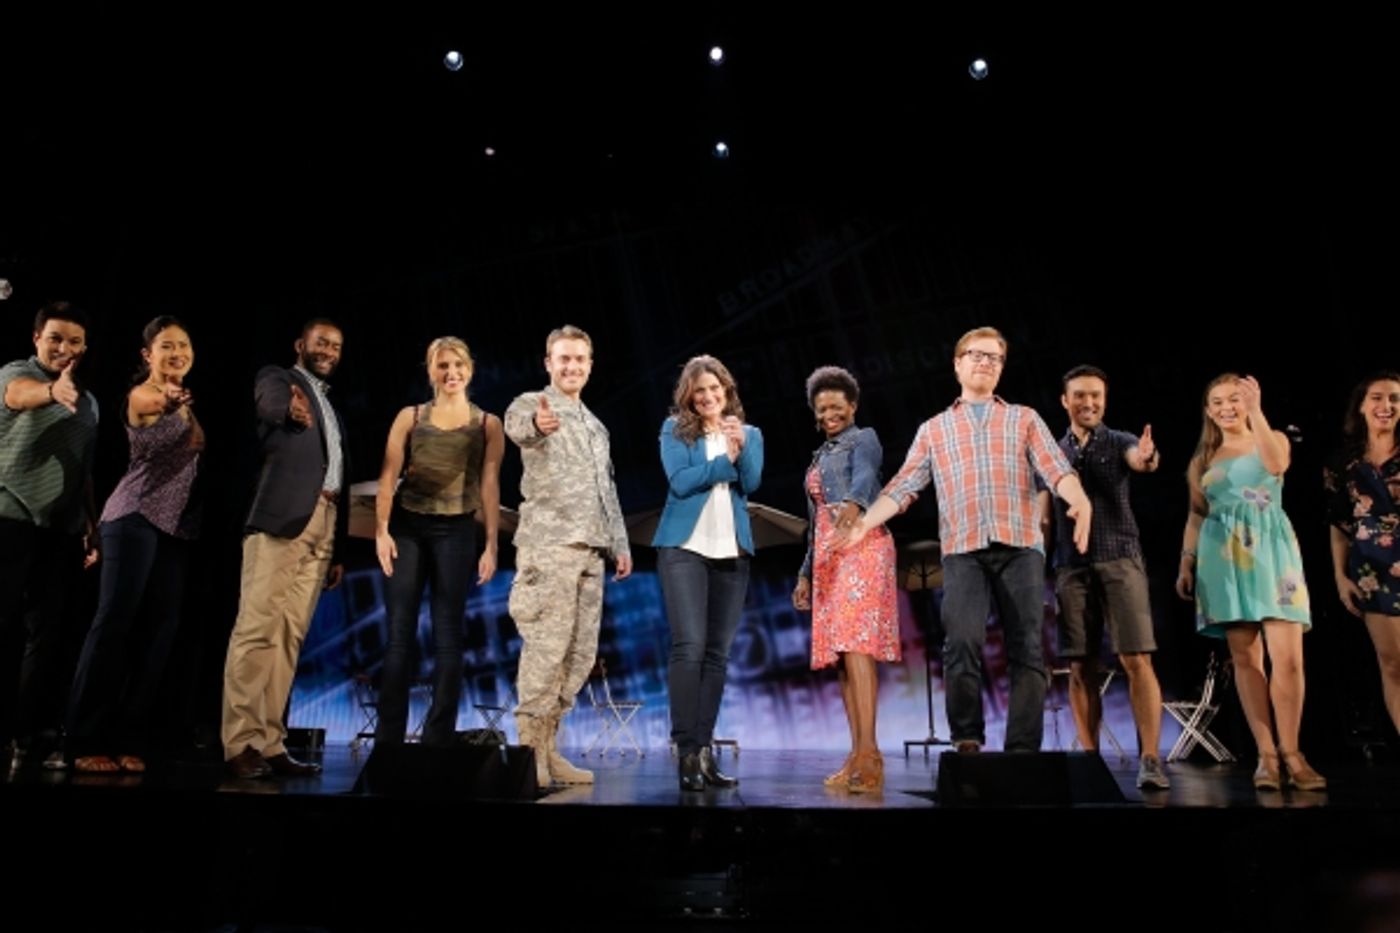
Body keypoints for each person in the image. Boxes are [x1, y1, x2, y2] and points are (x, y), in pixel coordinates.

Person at [844, 326, 1092, 753]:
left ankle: (1022, 748)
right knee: (961, 644)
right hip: (963, 551)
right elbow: (903, 487)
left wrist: (1080, 500)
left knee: (1027, 648)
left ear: (1001, 368)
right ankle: (967, 739)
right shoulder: (934, 429)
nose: (985, 363)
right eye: (976, 355)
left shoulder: (1024, 418)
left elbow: (1056, 469)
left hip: (1019, 547)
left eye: (994, 358)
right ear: (957, 363)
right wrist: (865, 523)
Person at [65, 317, 203, 773]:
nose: (177, 353)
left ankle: (128, 737)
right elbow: (154, 404)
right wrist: (170, 400)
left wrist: (182, 404)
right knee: (113, 626)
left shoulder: (187, 400)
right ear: (147, 355)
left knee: (159, 634)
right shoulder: (145, 395)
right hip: (132, 518)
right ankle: (83, 739)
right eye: (166, 346)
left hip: (171, 529)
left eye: (183, 346)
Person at [1175, 373, 1324, 790]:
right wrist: (1186, 562)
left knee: (1289, 658)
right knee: (1245, 658)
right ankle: (1267, 756)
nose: (1227, 407)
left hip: (1272, 553)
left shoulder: (1270, 436)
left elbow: (1277, 464)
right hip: (1223, 559)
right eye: (1218, 401)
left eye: (1235, 400)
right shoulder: (1204, 458)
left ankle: (1293, 753)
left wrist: (1256, 411)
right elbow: (1196, 514)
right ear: (1208, 410)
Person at [504, 325, 632, 787]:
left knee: (579, 655)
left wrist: (619, 542)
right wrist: (537, 425)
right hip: (550, 546)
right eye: (563, 359)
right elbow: (517, 427)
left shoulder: (596, 425)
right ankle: (527, 754)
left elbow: (607, 489)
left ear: (591, 365)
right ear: (549, 363)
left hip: (592, 549)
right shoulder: (531, 405)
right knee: (546, 648)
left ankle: (550, 747)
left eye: (579, 359)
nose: (572, 366)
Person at [222, 319, 347, 779]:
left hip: (325, 522)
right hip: (282, 516)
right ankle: (239, 743)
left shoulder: (330, 404)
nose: (329, 350)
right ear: (301, 345)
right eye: (321, 342)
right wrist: (285, 410)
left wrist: (337, 551)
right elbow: (269, 404)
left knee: (287, 638)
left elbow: (334, 467)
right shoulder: (280, 378)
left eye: (335, 346)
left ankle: (270, 742)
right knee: (256, 630)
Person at [1036, 365, 1170, 789]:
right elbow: (1042, 516)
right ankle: (1090, 760)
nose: (1088, 403)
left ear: (1105, 400)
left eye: (1096, 395)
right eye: (1080, 395)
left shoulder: (1121, 441)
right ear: (1064, 400)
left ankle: (1150, 757)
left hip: (1120, 560)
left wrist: (1147, 458)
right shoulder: (1051, 453)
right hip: (1069, 567)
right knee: (1080, 666)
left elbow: (1141, 459)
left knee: (1136, 658)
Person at [373, 337, 503, 746]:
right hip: (408, 528)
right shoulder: (410, 417)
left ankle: (437, 735)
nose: (451, 373)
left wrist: (491, 544)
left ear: (470, 369)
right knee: (399, 635)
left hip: (457, 531)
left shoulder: (487, 424)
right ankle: (388, 738)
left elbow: (489, 484)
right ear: (431, 371)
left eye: (458, 366)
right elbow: (388, 476)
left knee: (449, 635)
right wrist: (381, 530)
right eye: (443, 366)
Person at [653, 355, 763, 792]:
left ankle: (703, 751)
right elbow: (680, 482)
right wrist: (725, 462)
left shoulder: (750, 433)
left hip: (731, 551)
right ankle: (684, 753)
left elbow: (751, 482)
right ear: (689, 396)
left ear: (726, 390)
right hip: (684, 548)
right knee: (690, 646)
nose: (708, 396)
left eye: (714, 389)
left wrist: (742, 449)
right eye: (699, 391)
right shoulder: (675, 431)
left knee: (717, 655)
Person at [0, 301, 100, 771]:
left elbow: (84, 470)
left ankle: (23, 735)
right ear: (37, 337)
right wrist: (51, 391)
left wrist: (90, 525)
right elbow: (19, 395)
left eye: (74, 342)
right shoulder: (15, 373)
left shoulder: (91, 402)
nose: (64, 348)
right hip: (9, 518)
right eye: (56, 338)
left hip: (60, 531)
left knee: (47, 637)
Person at [791, 366, 898, 793]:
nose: (830, 412)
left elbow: (866, 479)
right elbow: (816, 520)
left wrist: (852, 510)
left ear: (852, 407)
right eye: (823, 407)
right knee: (840, 657)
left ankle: (871, 756)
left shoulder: (863, 438)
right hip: (828, 557)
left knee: (857, 647)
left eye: (837, 405)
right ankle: (855, 756)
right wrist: (804, 574)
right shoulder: (818, 456)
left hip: (862, 545)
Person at [1324, 371, 1400, 738]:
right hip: (1372, 571)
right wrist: (1341, 577)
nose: (1386, 406)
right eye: (1378, 398)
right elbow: (1339, 524)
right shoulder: (1344, 464)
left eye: (1395, 399)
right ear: (1362, 405)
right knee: (1392, 665)